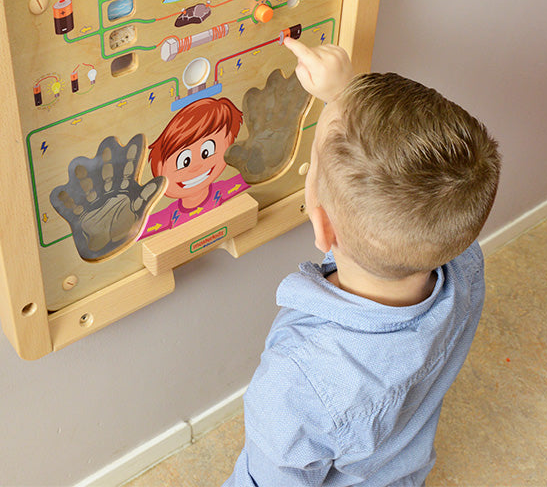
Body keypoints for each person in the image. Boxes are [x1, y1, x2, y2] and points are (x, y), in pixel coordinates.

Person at [224, 42, 501, 487]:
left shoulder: (297, 382)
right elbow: (393, 176)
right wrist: (342, 93)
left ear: (322, 227)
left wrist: (341, 102)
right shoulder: (461, 257)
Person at [139, 97, 248, 238]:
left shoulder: (224, 190)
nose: (196, 167)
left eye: (206, 152)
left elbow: (253, 176)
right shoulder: (171, 215)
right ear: (159, 167)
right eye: (184, 161)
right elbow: (139, 230)